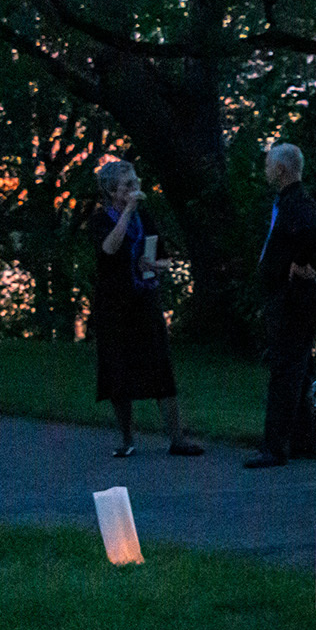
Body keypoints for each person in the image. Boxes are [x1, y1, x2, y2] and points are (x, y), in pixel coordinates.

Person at [89, 160, 204, 458]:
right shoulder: (101, 220)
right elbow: (109, 249)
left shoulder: (146, 218)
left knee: (161, 366)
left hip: (145, 301)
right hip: (114, 306)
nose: (135, 188)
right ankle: (127, 439)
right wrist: (126, 213)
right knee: (118, 368)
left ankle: (177, 438)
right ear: (113, 190)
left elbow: (166, 259)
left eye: (136, 182)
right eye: (128, 185)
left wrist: (156, 265)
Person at [246, 142, 316, 468]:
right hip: (289, 295)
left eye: (269, 165)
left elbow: (315, 230)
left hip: (291, 297)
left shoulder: (297, 204)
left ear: (281, 169)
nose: (266, 170)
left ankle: (275, 446)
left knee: (285, 368)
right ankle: (304, 439)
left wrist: (300, 263)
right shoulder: (289, 202)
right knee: (300, 367)